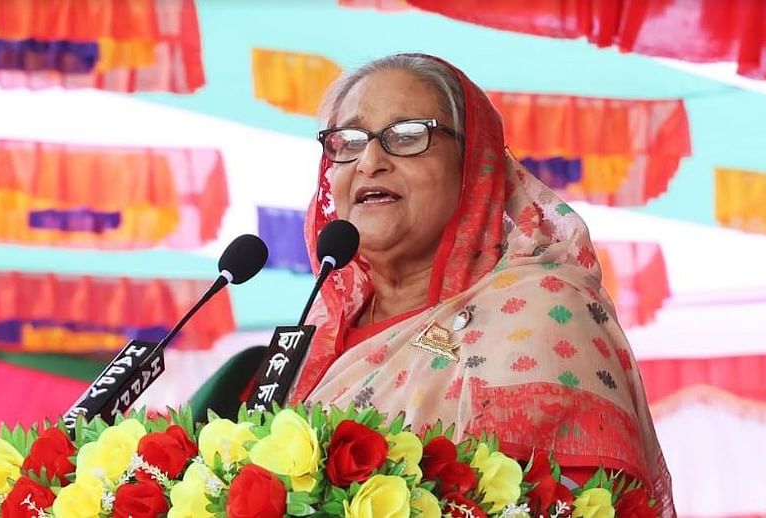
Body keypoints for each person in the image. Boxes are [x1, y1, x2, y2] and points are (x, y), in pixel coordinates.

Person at [289, 53, 674, 515]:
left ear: (475, 165)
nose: (370, 161)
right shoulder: (315, 343)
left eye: (408, 136)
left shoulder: (541, 310)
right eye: (347, 141)